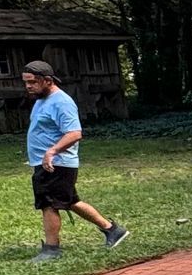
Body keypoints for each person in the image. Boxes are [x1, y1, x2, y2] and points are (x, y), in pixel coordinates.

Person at [22, 60, 128, 264]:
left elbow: (74, 133)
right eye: (26, 82)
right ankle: (113, 230)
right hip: (49, 162)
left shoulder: (61, 102)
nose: (28, 86)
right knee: (69, 201)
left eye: (33, 82)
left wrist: (51, 151)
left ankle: (51, 250)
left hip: (56, 163)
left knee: (49, 204)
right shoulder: (41, 99)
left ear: (48, 80)